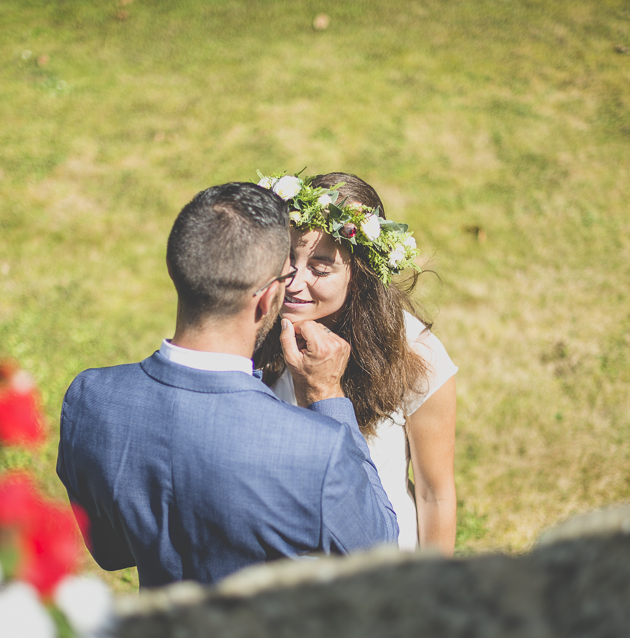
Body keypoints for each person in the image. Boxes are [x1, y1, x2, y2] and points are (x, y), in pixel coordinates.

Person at [56, 182, 397, 588]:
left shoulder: (89, 398)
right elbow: (381, 554)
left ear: (176, 269)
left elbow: (110, 552)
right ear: (268, 297)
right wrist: (327, 397)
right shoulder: (316, 449)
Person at [254, 172, 458, 554]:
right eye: (287, 258)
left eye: (320, 267)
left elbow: (435, 493)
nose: (294, 283)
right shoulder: (253, 329)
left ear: (360, 274)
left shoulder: (416, 355)